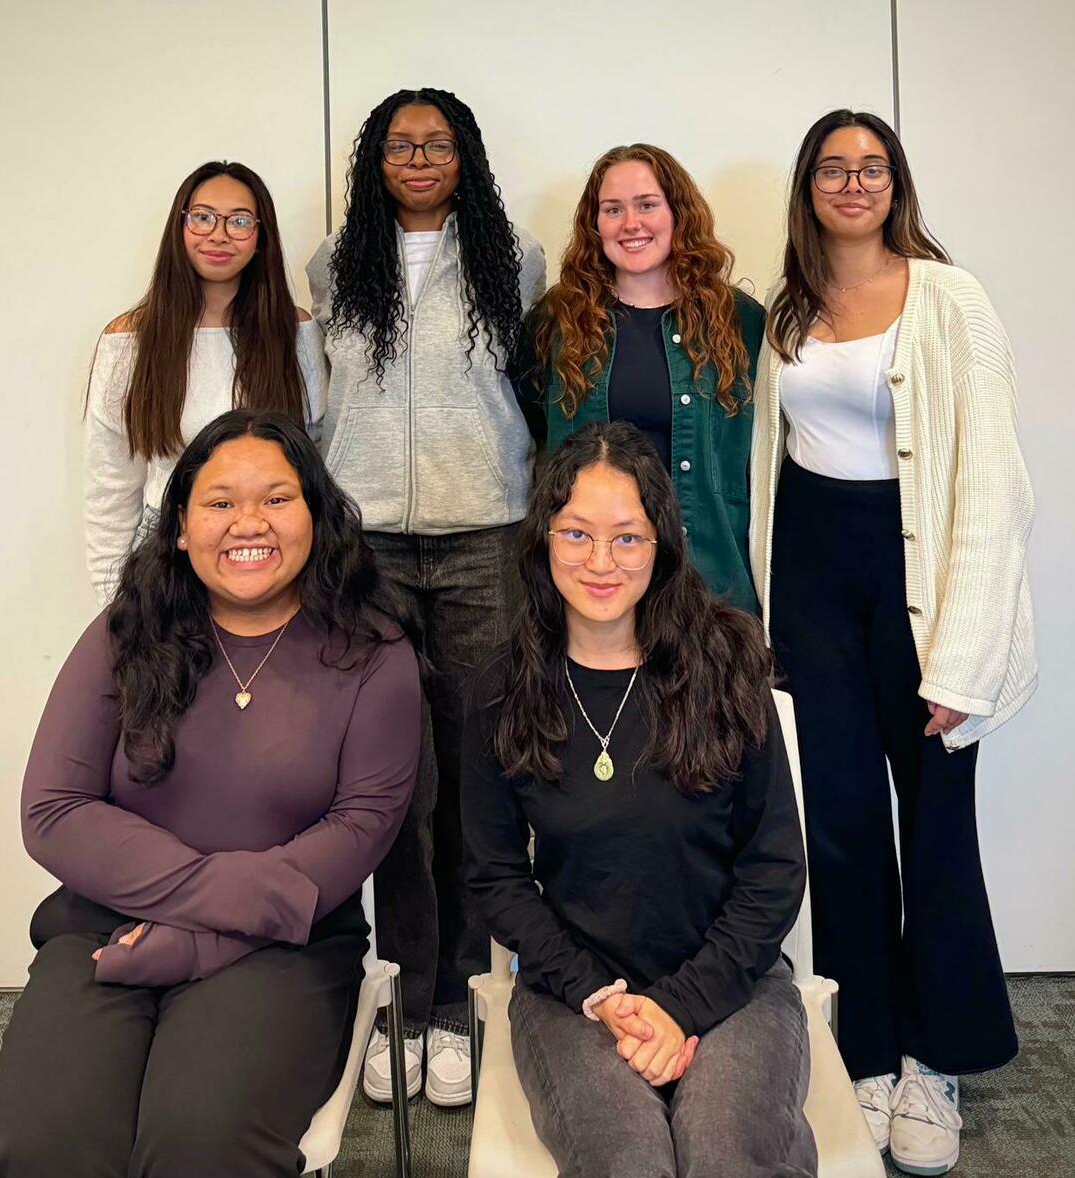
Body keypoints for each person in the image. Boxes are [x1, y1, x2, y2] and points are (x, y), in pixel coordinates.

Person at [0, 410, 420, 1178]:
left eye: (277, 499)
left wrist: (194, 941)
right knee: (50, 1141)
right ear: (180, 526)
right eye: (219, 502)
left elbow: (362, 829)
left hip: (285, 948)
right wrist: (210, 895)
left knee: (199, 1142)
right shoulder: (126, 633)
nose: (247, 522)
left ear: (318, 517)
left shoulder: (374, 654)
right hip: (104, 936)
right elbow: (55, 810)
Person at [751, 108, 1037, 1176]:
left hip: (916, 577)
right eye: (833, 167)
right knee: (841, 829)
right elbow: (765, 472)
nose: (853, 183)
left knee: (936, 823)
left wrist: (963, 654)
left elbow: (993, 489)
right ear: (809, 187)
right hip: (815, 582)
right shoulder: (785, 311)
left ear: (897, 182)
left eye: (872, 167)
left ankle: (937, 1057)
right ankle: (865, 1051)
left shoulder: (949, 297)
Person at [463, 421, 816, 1178]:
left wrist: (682, 1005)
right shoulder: (502, 690)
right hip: (572, 995)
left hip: (735, 983)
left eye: (627, 538)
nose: (600, 562)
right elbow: (494, 877)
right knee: (629, 1162)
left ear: (661, 544)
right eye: (577, 535)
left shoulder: (726, 665)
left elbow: (775, 867)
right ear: (541, 540)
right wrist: (597, 994)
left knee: (725, 1157)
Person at [306, 86, 546, 1106]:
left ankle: (459, 1001)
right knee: (395, 787)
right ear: (375, 157)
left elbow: (530, 391)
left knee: (477, 778)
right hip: (368, 548)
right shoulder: (332, 264)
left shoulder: (515, 259)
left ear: (464, 155)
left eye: (436, 143)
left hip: (485, 540)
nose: (417, 157)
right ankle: (403, 993)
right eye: (400, 143)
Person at [513, 143, 763, 613]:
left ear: (677, 213)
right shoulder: (557, 320)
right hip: (594, 574)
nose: (632, 224)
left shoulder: (740, 321)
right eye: (613, 209)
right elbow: (532, 423)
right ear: (595, 223)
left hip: (709, 573)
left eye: (647, 205)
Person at [85, 161, 322, 604]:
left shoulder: (295, 333)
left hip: (267, 557)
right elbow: (110, 487)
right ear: (180, 227)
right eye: (203, 217)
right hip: (164, 559)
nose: (219, 234)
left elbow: (315, 460)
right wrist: (111, 605)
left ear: (260, 237)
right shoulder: (128, 341)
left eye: (239, 221)